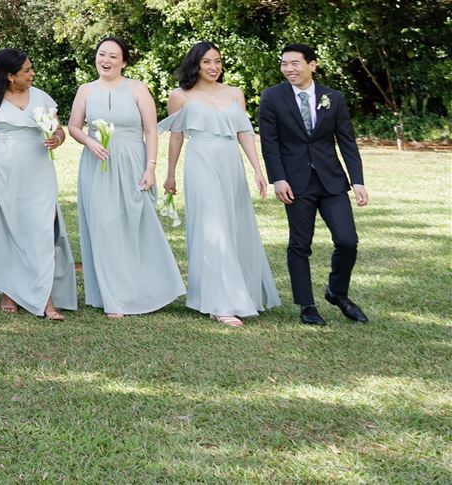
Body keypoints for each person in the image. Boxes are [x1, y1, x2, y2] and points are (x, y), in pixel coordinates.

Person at [163, 41, 279, 326]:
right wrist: (169, 174)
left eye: (217, 61)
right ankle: (220, 302)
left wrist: (257, 170)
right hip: (201, 161)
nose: (213, 67)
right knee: (212, 227)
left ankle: (241, 293)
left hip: (231, 163)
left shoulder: (235, 93)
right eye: (206, 62)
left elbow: (244, 133)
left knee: (234, 225)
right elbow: (176, 136)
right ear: (196, 65)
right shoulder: (179, 95)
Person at [68, 35, 182, 317]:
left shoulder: (137, 88)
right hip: (96, 165)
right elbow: (73, 126)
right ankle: (112, 297)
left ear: (124, 62)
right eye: (101, 54)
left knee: (134, 226)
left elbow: (151, 130)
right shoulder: (85, 90)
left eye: (113, 56)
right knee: (104, 226)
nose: (105, 60)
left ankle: (147, 290)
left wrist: (151, 167)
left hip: (133, 161)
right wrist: (89, 141)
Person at [0, 48, 76, 320]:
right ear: (10, 76)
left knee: (41, 232)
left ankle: (46, 301)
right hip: (2, 171)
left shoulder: (42, 97)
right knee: (9, 231)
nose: (32, 73)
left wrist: (57, 139)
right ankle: (10, 290)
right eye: (27, 70)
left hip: (38, 172)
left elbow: (59, 130)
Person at [258, 42, 367, 325]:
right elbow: (269, 143)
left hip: (331, 181)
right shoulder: (272, 97)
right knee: (299, 244)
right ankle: (307, 305)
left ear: (312, 65)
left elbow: (346, 141)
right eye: (284, 64)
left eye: (294, 63)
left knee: (347, 240)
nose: (288, 69)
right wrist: (278, 179)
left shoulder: (334, 97)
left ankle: (337, 292)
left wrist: (357, 181)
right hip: (294, 182)